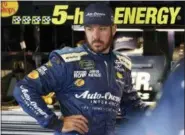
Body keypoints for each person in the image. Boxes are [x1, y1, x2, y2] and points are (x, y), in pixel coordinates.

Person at [13, 3, 148, 135]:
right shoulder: (67, 60)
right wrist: (54, 122)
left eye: (102, 29)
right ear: (85, 30)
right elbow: (23, 89)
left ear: (113, 29)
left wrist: (161, 113)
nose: (96, 36)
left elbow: (132, 106)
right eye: (90, 29)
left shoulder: (122, 64)